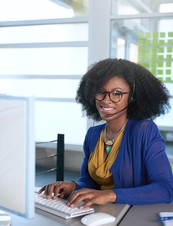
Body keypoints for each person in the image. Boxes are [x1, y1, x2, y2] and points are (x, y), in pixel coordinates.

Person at [39, 58, 173, 208]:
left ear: (133, 97)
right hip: (100, 215)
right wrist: (73, 186)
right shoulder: (93, 134)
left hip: (132, 216)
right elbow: (89, 183)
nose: (106, 100)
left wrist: (109, 195)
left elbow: (165, 189)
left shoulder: (144, 130)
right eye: (100, 92)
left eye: (117, 93)